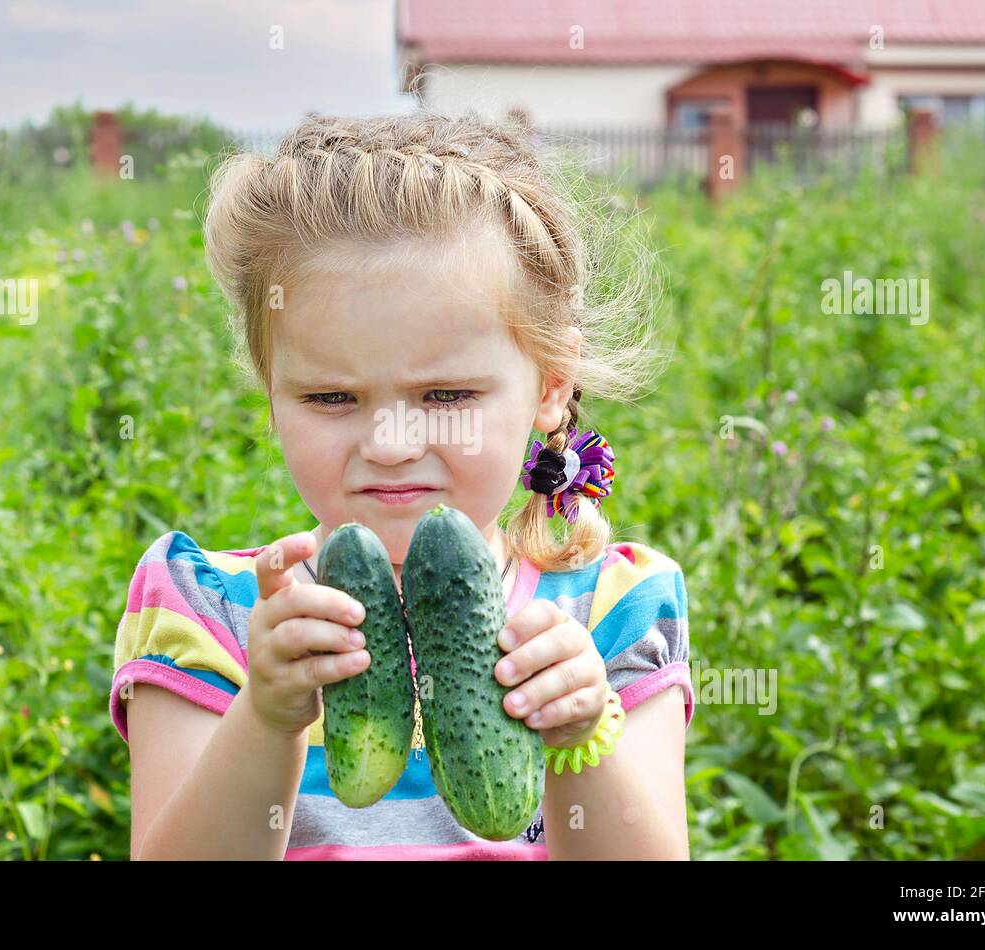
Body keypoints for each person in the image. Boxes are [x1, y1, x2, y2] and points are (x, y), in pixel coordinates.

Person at [110, 110, 693, 859]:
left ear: (552, 384)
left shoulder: (612, 611)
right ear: (270, 389)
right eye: (331, 398)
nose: (390, 446)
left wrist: (585, 732)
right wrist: (266, 714)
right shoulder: (206, 611)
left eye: (447, 396)